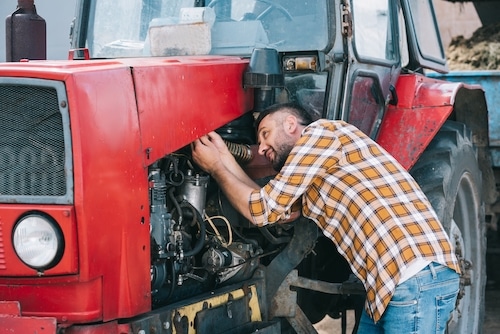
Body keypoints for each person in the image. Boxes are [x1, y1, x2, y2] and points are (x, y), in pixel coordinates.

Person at [191, 102, 461, 333]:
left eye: (265, 134)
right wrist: (223, 158)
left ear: (290, 124)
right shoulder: (317, 178)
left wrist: (217, 166)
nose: (261, 148)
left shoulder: (321, 135)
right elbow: (265, 203)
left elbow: (261, 209)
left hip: (413, 279)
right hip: (388, 287)